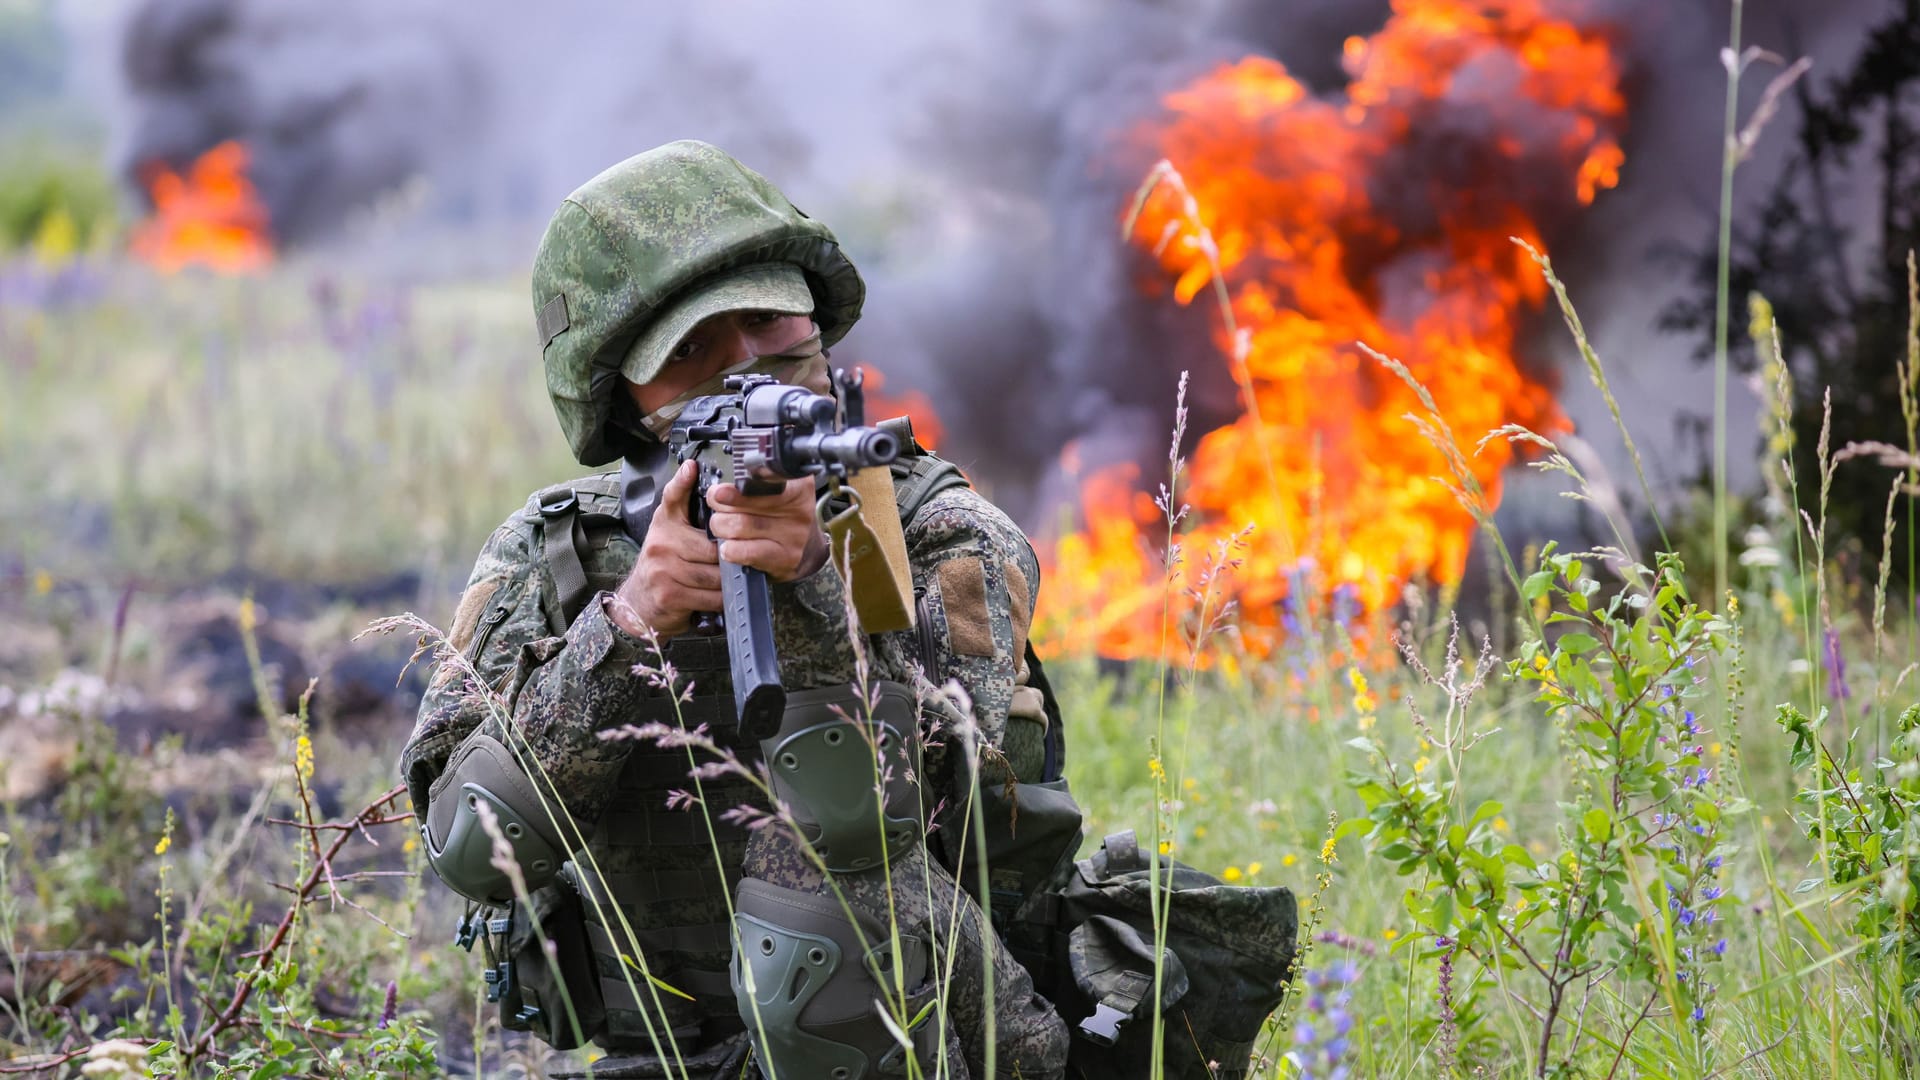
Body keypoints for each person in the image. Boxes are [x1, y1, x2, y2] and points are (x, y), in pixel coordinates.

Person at [399, 140, 1077, 1080]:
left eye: (764, 316)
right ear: (627, 398)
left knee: (827, 908)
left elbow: (892, 822)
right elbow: (468, 848)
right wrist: (629, 623)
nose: (748, 361)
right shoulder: (554, 553)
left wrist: (810, 585)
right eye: (690, 349)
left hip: (930, 1033)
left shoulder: (942, 533)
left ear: (813, 314)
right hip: (663, 1046)